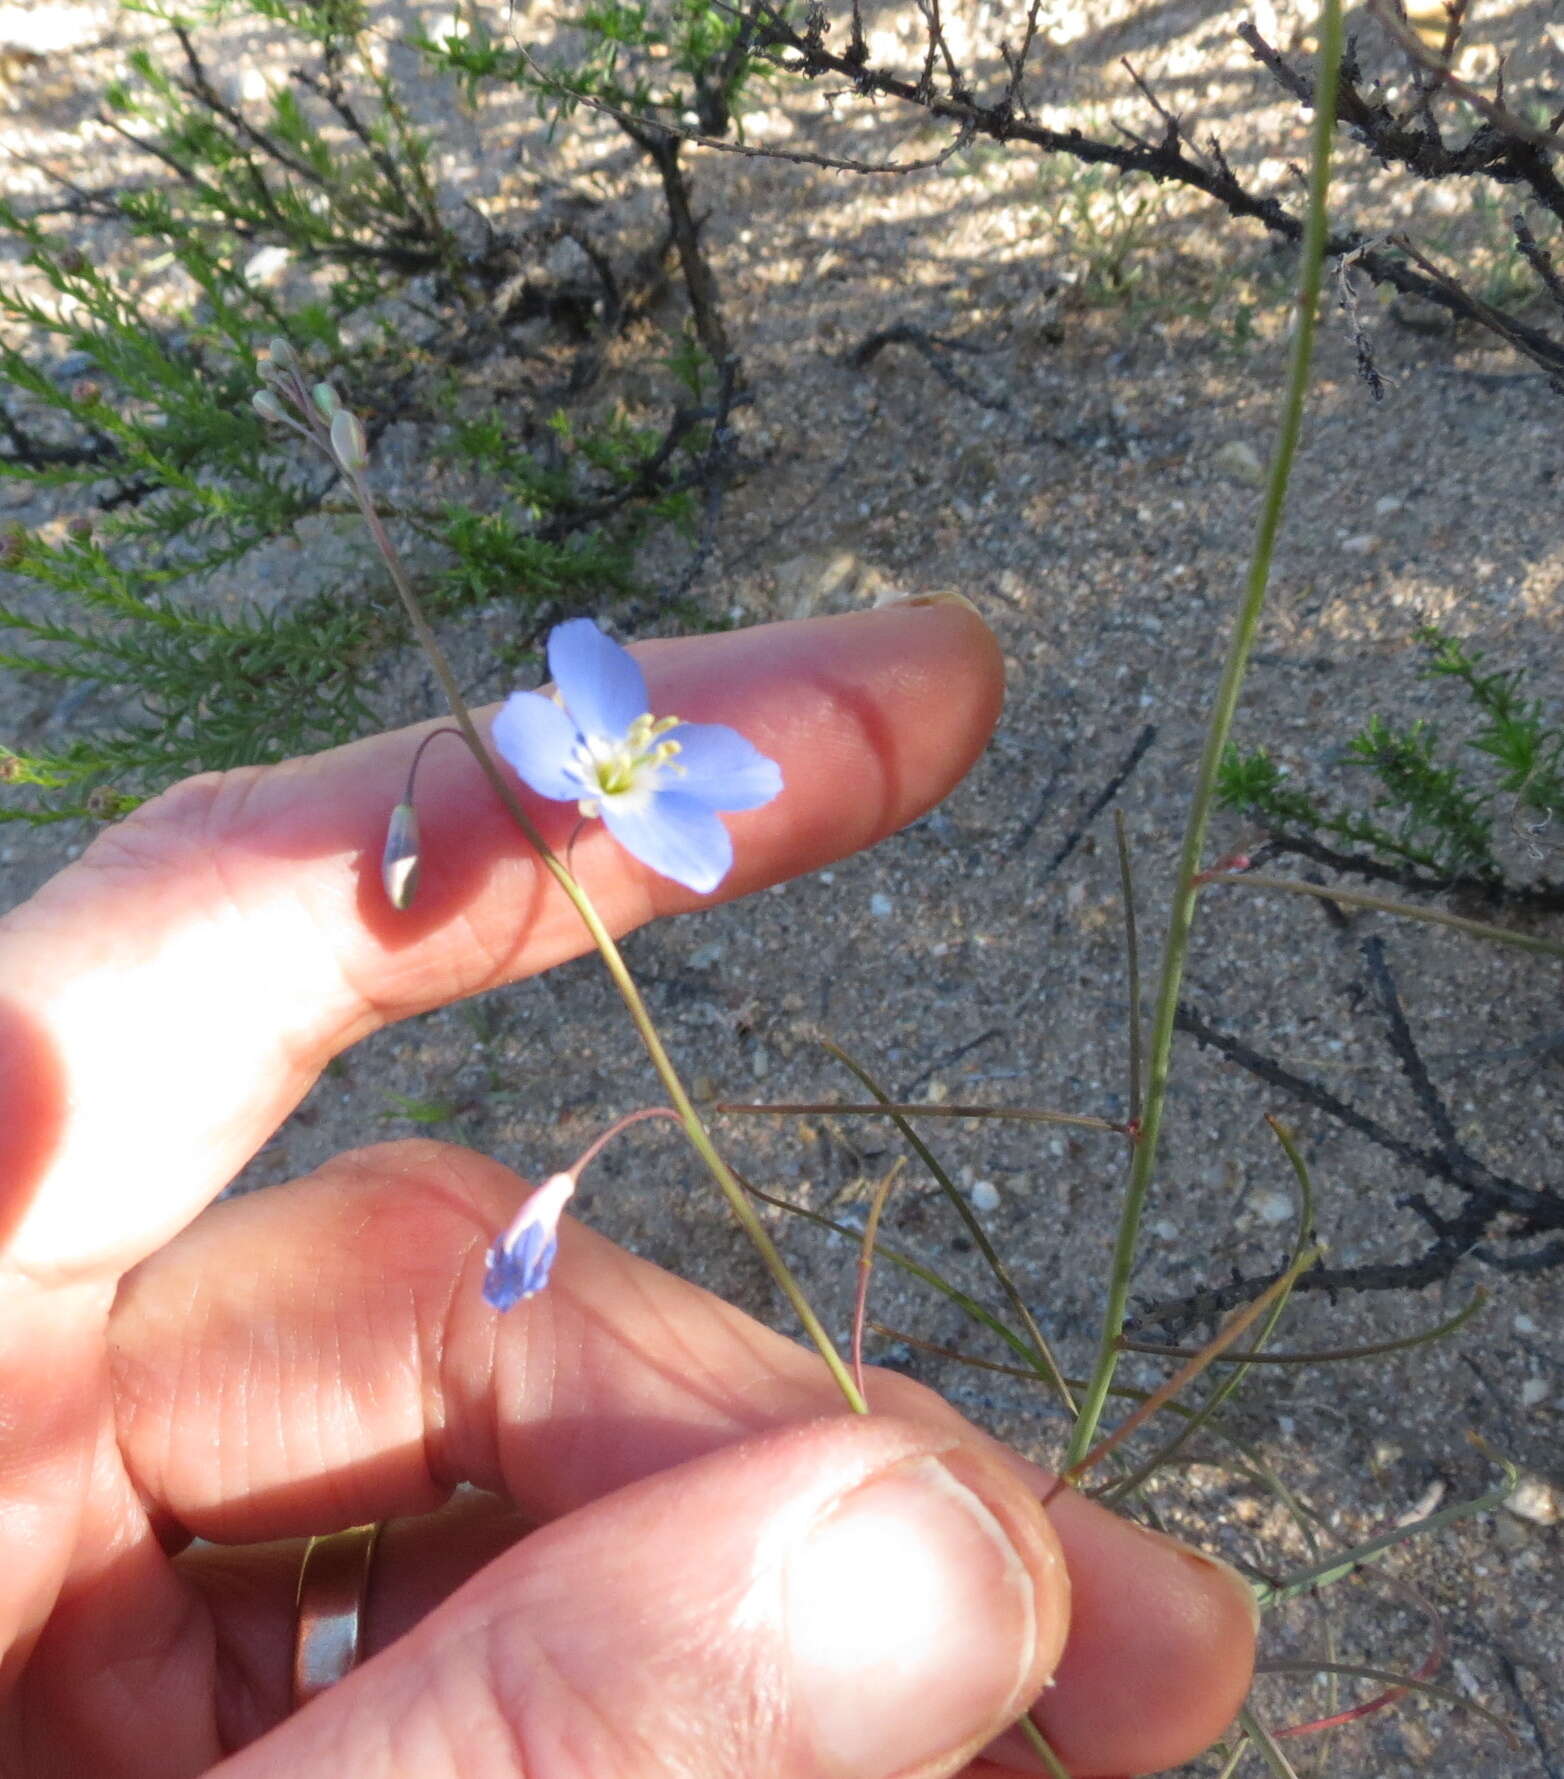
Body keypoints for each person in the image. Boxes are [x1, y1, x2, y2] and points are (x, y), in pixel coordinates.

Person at [0, 598, 1255, 1778]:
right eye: (610, 767)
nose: (617, 774)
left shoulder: (638, 776)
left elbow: (731, 780)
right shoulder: (556, 753)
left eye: (622, 767)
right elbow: (556, 741)